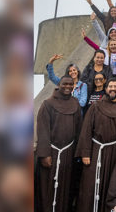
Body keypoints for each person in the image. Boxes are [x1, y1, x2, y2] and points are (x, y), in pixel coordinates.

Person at [75, 77, 116, 212]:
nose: (112, 89)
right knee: (89, 184)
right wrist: (85, 153)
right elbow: (87, 130)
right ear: (106, 89)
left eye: (115, 87)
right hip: (95, 151)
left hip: (114, 152)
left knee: (110, 185)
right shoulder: (96, 106)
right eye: (110, 86)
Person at [35, 76, 82, 212]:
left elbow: (79, 129)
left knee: (65, 186)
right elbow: (42, 130)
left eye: (70, 84)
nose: (68, 86)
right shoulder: (48, 104)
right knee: (48, 187)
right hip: (51, 152)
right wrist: (44, 154)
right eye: (64, 84)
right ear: (58, 84)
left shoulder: (75, 103)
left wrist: (76, 152)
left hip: (68, 153)